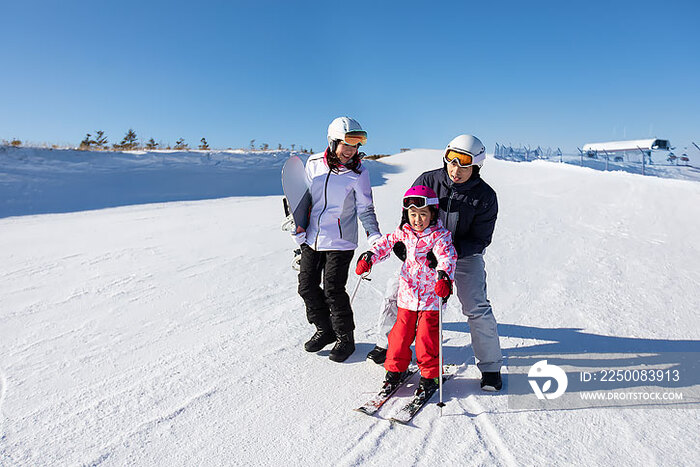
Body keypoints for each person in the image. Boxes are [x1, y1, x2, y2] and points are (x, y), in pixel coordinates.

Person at [366, 134, 504, 391]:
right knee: (395, 292)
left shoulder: (485, 196)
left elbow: (481, 239)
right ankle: (386, 346)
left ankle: (490, 367)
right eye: (452, 162)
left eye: (464, 165)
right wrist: (407, 251)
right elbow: (407, 221)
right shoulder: (428, 181)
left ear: (477, 166)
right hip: (421, 255)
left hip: (463, 257)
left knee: (476, 306)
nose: (456, 170)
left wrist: (446, 256)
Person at [294, 116, 381, 362]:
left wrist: (373, 234)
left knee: (333, 289)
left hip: (341, 240)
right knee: (307, 286)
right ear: (333, 142)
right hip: (312, 237)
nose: (351, 151)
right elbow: (303, 200)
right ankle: (325, 329)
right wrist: (297, 223)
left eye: (355, 146)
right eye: (347, 144)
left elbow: (365, 208)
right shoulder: (312, 164)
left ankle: (346, 338)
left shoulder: (358, 172)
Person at [355, 185, 457, 394]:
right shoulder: (404, 232)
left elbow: (447, 257)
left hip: (431, 298)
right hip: (407, 296)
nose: (417, 220)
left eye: (422, 214)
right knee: (399, 336)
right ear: (406, 214)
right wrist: (369, 257)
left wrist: (444, 276)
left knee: (426, 340)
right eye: (413, 214)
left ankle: (430, 375)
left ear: (433, 214)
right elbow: (384, 245)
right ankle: (395, 369)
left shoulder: (440, 236)